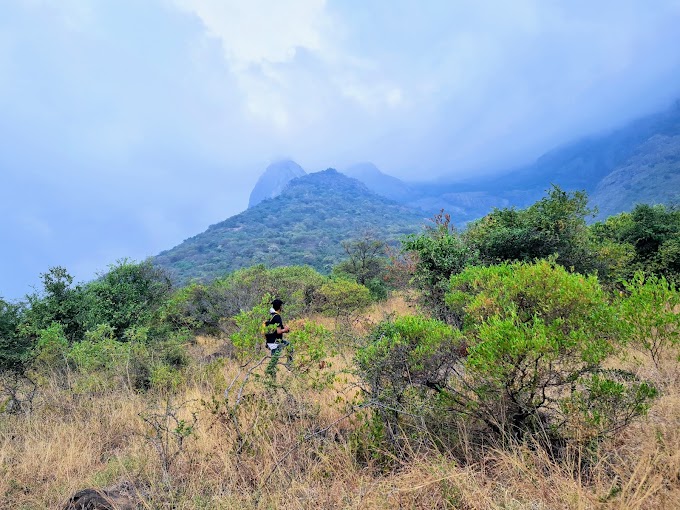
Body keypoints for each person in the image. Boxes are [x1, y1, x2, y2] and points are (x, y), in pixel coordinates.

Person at [264, 298, 293, 378]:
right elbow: (278, 331)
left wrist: (285, 330)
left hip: (270, 341)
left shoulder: (270, 316)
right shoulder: (277, 317)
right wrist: (286, 329)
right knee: (274, 361)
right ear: (280, 307)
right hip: (275, 342)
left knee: (289, 346)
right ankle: (271, 375)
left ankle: (272, 376)